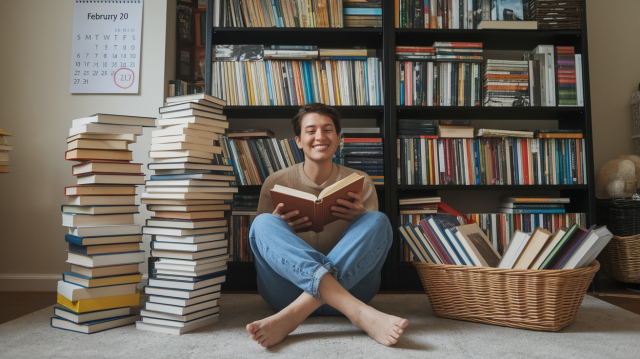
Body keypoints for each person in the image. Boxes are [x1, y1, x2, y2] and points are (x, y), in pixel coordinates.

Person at [245, 103, 409, 347]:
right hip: (285, 293)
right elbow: (263, 248)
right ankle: (359, 313)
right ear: (298, 140)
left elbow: (371, 248)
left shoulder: (361, 182)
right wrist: (280, 226)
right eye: (311, 131)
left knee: (377, 220)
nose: (320, 136)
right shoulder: (276, 182)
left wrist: (360, 218)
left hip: (352, 287)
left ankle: (294, 315)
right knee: (263, 223)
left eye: (327, 129)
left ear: (338, 138)